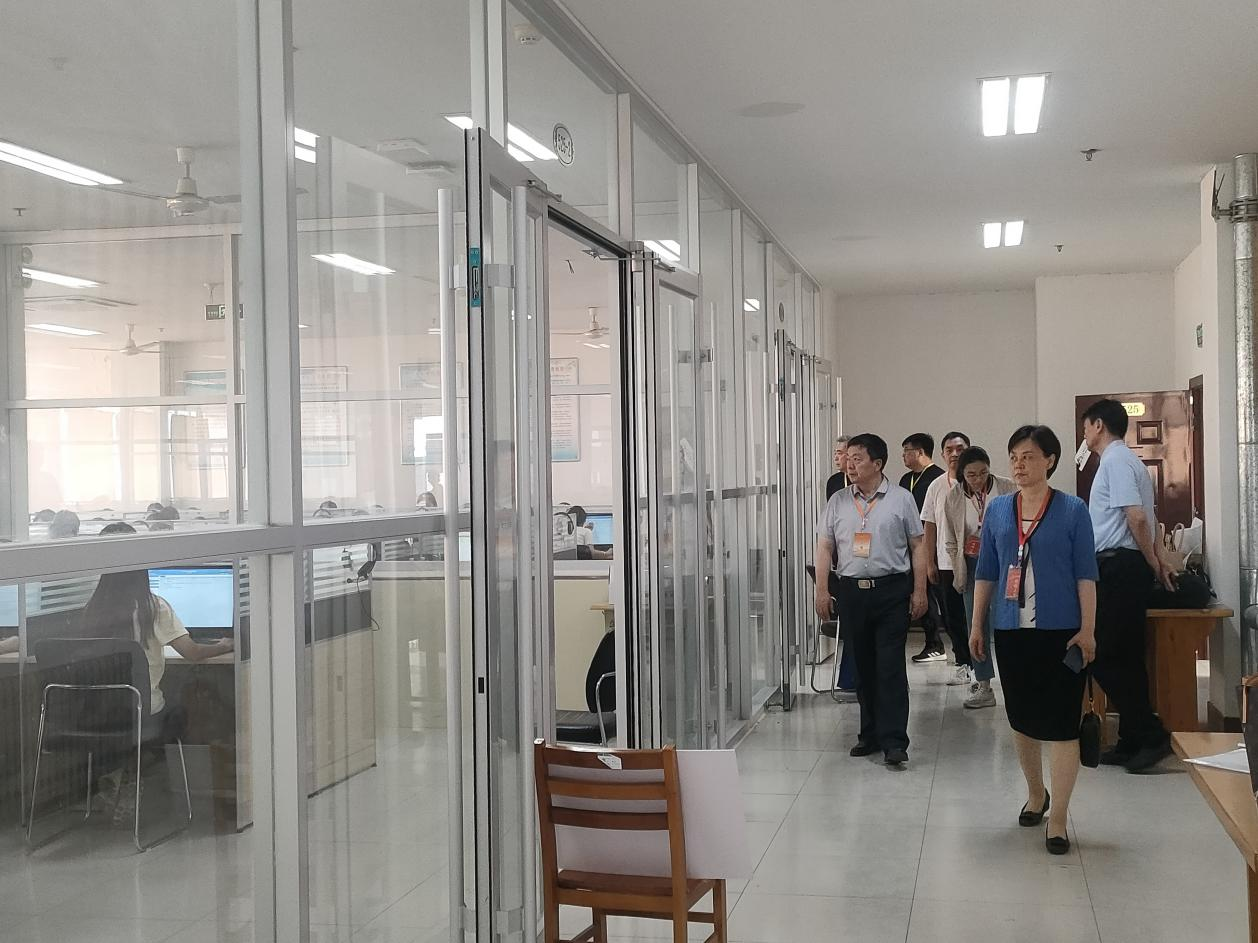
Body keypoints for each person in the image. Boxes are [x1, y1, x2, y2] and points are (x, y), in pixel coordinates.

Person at [970, 425, 1098, 855]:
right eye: (1014, 457)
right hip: (1011, 630)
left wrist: (1088, 629)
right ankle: (1035, 793)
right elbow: (986, 572)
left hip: (1062, 632)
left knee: (1061, 724)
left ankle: (1058, 818)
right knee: (1021, 718)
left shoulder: (1072, 510)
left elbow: (1086, 575)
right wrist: (977, 625)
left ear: (1050, 460)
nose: (1019, 464)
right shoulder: (998, 510)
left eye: (1028, 456)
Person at [815, 433, 928, 767]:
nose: (849, 465)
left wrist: (920, 590)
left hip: (891, 590)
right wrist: (822, 589)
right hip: (851, 591)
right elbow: (824, 546)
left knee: (890, 666)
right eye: (847, 458)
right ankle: (870, 734)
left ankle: (895, 741)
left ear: (877, 463)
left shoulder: (901, 499)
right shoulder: (838, 501)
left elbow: (918, 546)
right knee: (863, 665)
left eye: (857, 459)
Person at [1082, 398, 1177, 772]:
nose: (1085, 434)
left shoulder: (1116, 461)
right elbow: (1147, 518)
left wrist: (1153, 562)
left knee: (1104, 655)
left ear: (1099, 425)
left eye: (1086, 426)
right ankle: (1131, 740)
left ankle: (1152, 735)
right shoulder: (1125, 461)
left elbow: (1136, 518)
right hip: (1122, 565)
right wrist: (1154, 559)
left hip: (1120, 566)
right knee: (1126, 656)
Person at [85, 523, 234, 717]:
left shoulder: (92, 608)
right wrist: (224, 645)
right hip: (143, 712)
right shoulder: (153, 607)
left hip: (100, 713)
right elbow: (192, 653)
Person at [943, 446, 1016, 709]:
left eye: (983, 473)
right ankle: (984, 685)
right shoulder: (954, 496)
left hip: (1005, 562)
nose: (978, 479)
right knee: (976, 624)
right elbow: (951, 538)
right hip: (972, 564)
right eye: (971, 475)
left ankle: (1015, 681)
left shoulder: (1007, 488)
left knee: (1008, 621)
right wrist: (957, 566)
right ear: (962, 474)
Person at [920, 431, 974, 686]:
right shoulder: (936, 486)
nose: (954, 454)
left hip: (976, 561)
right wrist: (929, 562)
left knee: (976, 616)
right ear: (942, 455)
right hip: (945, 563)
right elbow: (929, 527)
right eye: (949, 450)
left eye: (960, 449)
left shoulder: (979, 483)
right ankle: (963, 663)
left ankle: (980, 665)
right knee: (952, 617)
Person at [899, 433, 946, 663]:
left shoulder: (938, 478)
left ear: (920, 452)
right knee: (921, 594)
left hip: (934, 547)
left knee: (939, 597)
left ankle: (948, 646)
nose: (903, 456)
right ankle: (933, 643)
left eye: (907, 451)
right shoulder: (905, 479)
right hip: (910, 546)